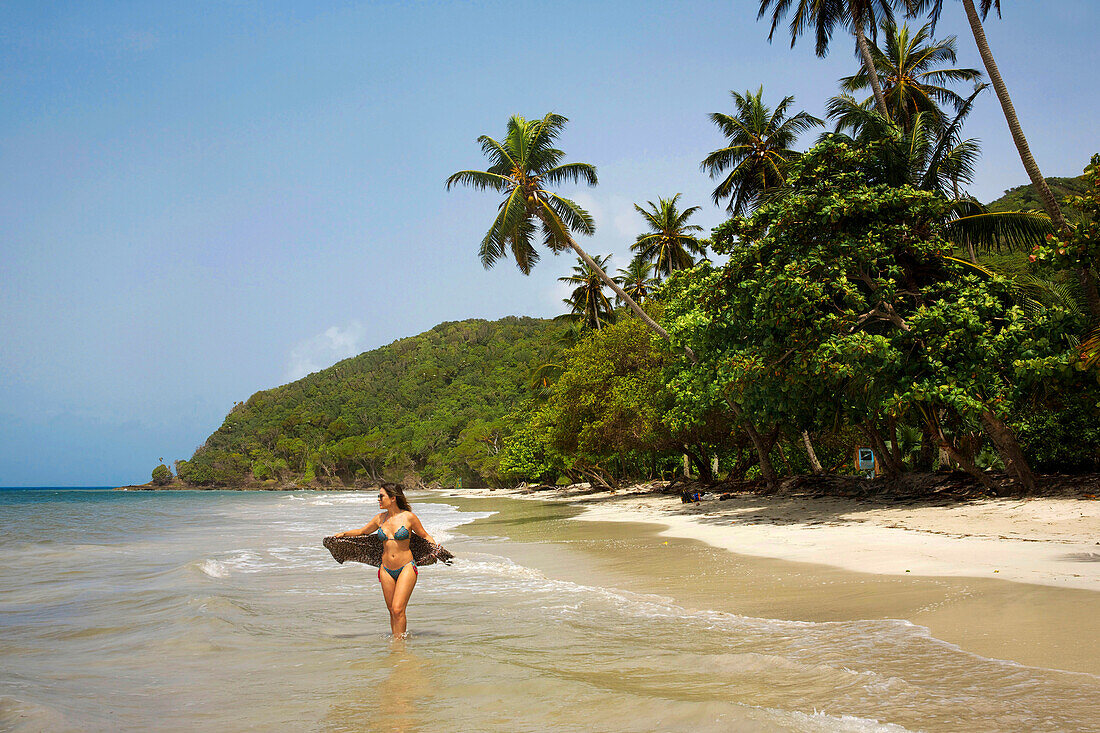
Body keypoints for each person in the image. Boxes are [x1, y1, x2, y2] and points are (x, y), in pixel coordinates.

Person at [332, 482, 437, 638]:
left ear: (393, 498)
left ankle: (400, 645)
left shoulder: (408, 517)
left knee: (397, 609)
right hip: (385, 569)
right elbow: (362, 531)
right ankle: (397, 642)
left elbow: (424, 535)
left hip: (406, 567)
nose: (378, 499)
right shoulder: (379, 519)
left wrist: (434, 549)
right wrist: (343, 534)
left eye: (381, 496)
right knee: (391, 611)